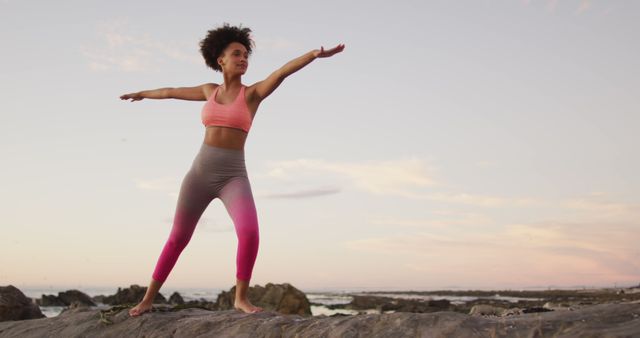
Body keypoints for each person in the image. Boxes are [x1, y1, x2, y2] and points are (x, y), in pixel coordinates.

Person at [120, 23, 344, 316]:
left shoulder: (252, 95)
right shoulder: (208, 90)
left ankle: (241, 297)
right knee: (177, 237)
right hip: (199, 174)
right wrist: (143, 93)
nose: (243, 59)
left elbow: (281, 72)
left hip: (233, 177)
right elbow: (172, 91)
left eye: (245, 55)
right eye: (236, 54)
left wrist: (313, 54)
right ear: (220, 59)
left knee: (250, 232)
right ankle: (148, 298)